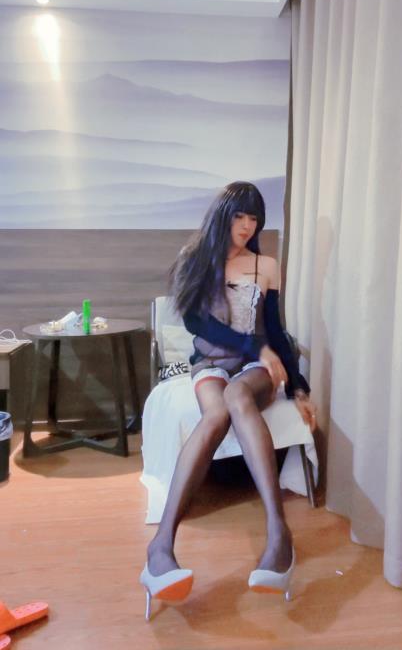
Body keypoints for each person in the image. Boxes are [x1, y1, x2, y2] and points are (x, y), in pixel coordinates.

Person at [140, 181, 317, 619]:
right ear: (223, 216)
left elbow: (274, 331)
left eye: (254, 218)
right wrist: (254, 346)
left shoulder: (266, 265)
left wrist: (298, 387)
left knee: (239, 394)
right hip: (210, 363)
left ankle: (279, 534)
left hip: (255, 368)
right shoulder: (196, 259)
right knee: (217, 412)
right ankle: (161, 547)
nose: (247, 225)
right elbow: (197, 324)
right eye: (239, 216)